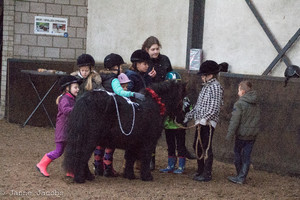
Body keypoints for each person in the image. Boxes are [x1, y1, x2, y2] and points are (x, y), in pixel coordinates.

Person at [94, 53, 145, 178]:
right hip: (112, 115)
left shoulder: (101, 78)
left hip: (101, 114)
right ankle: (107, 168)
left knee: (99, 142)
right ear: (115, 67)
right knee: (110, 143)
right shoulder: (113, 80)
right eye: (120, 67)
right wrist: (133, 94)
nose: (121, 70)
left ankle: (97, 166)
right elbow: (119, 91)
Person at [184, 60, 224, 182]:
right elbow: (198, 106)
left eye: (203, 75)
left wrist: (204, 119)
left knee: (206, 147)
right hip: (200, 122)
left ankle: (207, 173)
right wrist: (188, 116)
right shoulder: (206, 87)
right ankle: (200, 169)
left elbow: (214, 107)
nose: (201, 77)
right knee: (197, 145)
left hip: (207, 123)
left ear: (210, 75)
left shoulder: (215, 87)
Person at [36, 75, 82, 177]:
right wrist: (78, 108)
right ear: (67, 88)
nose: (78, 89)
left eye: (78, 87)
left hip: (69, 130)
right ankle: (41, 164)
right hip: (63, 130)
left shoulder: (72, 99)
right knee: (58, 151)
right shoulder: (64, 99)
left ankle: (70, 171)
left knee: (71, 150)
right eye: (75, 87)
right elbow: (66, 111)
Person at [226, 80, 260, 184]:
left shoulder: (239, 104)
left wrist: (229, 134)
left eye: (239, 90)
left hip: (242, 135)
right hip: (252, 135)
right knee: (247, 156)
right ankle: (242, 176)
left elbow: (234, 121)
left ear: (243, 92)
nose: (237, 92)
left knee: (237, 154)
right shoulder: (256, 103)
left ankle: (239, 176)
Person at [159, 71, 191, 174]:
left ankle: (181, 166)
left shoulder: (183, 97)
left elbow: (189, 109)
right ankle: (171, 165)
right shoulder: (165, 98)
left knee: (180, 145)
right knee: (170, 145)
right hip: (168, 126)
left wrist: (184, 120)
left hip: (179, 126)